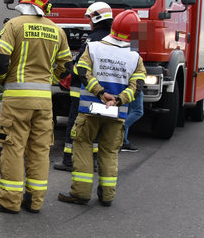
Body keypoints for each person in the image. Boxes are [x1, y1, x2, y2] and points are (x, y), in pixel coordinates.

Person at [0, 0, 72, 214]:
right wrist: (49, 77)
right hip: (44, 102)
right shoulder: (57, 30)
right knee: (40, 150)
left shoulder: (14, 25)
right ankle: (34, 201)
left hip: (17, 101)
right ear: (46, 4)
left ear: (23, 0)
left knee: (13, 148)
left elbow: (1, 60)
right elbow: (66, 68)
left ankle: (9, 201)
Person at [58, 10, 146, 207]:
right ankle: (107, 196)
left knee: (82, 147)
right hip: (116, 113)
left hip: (89, 109)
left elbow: (81, 71)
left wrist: (100, 92)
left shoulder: (94, 47)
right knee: (109, 153)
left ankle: (80, 194)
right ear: (134, 33)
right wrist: (118, 99)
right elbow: (137, 87)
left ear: (113, 27)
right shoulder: (135, 57)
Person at [54, 2, 112, 171]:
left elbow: (80, 64)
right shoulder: (114, 39)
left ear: (96, 19)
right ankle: (93, 160)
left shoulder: (91, 39)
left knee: (74, 123)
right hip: (102, 92)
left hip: (82, 90)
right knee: (96, 126)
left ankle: (68, 160)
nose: (88, 22)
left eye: (90, 18)